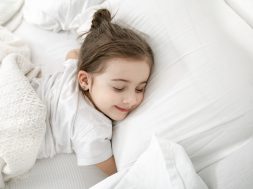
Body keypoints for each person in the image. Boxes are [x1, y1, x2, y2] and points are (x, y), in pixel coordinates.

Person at [37, 8, 154, 176]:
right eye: (119, 88)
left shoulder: (74, 72)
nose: (132, 99)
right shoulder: (92, 129)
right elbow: (116, 172)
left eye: (140, 88)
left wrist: (90, 51)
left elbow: (73, 54)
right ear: (84, 80)